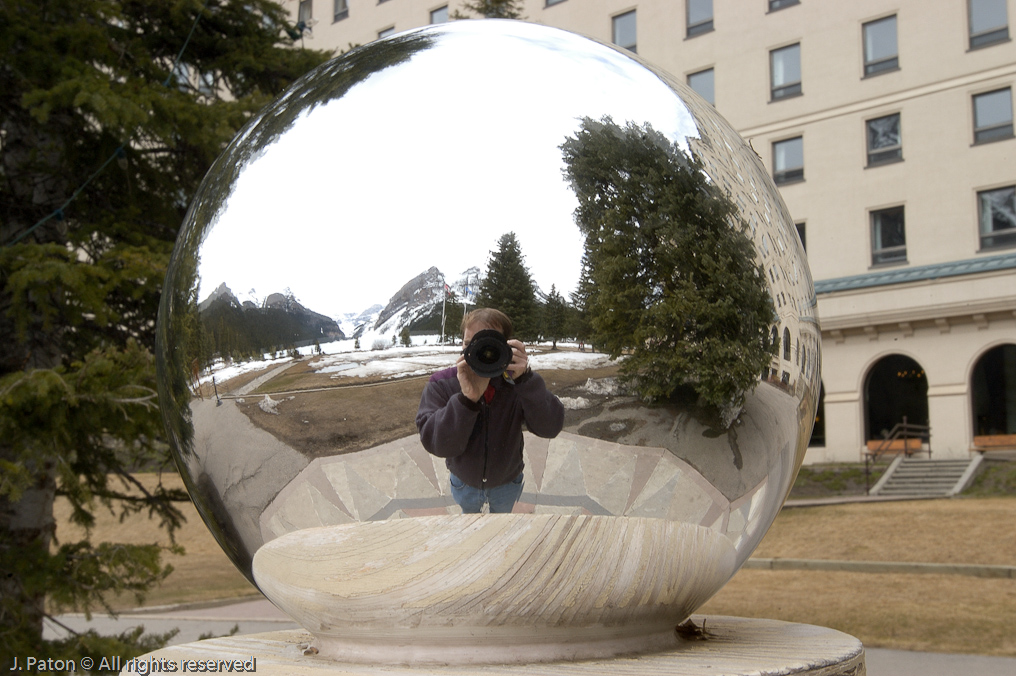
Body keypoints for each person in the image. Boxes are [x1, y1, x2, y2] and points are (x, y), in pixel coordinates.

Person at [416, 308, 565, 513]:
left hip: (507, 484)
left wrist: (524, 380)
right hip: (464, 483)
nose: (477, 352)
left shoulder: (519, 384)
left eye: (487, 344)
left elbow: (550, 427)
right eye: (470, 344)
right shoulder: (442, 383)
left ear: (506, 347)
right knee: (470, 530)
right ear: (463, 345)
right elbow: (437, 444)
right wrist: (466, 400)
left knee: (501, 530)